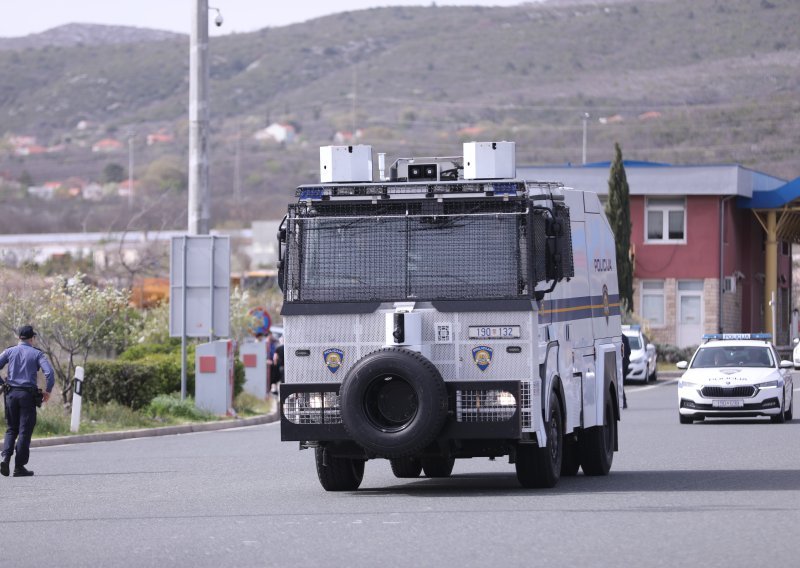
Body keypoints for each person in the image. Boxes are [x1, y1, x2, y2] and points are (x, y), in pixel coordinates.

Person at [0, 325, 55, 477]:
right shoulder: (37, 354)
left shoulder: (9, 351)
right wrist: (48, 391)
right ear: (32, 338)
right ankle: (19, 466)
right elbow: (49, 373)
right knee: (24, 430)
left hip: (11, 395)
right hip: (27, 397)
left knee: (11, 428)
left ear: (19, 338)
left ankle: (5, 458)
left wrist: (2, 383)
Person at [620, 333, 630, 409]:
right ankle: (623, 401)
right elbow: (629, 351)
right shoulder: (625, 338)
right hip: (625, 364)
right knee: (621, 383)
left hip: (620, 364)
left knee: (620, 384)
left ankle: (623, 402)